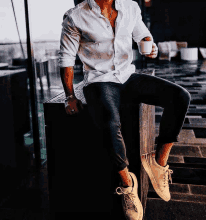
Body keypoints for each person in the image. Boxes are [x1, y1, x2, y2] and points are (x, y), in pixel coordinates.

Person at [59, 0, 191, 219]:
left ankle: (158, 164)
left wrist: (151, 47)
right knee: (110, 120)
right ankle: (128, 186)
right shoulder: (75, 16)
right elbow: (66, 61)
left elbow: (144, 36)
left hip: (127, 76)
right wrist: (70, 96)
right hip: (98, 80)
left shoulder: (131, 7)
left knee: (180, 97)